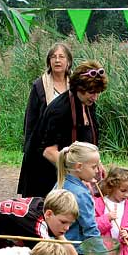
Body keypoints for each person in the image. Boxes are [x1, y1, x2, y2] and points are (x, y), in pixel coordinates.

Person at [38, 60, 108, 198]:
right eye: (91, 92)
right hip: (52, 176)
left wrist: (96, 164)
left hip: (76, 172)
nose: (95, 97)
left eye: (98, 92)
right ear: (78, 88)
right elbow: (49, 152)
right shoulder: (59, 110)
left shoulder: (88, 104)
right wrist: (75, 176)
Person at [55, 141, 107, 255]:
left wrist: (94, 184)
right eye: (94, 166)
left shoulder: (62, 183)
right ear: (78, 167)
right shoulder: (80, 194)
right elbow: (90, 229)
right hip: (77, 251)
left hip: (61, 248)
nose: (97, 170)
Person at [17, 42, 73, 197]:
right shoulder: (39, 85)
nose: (57, 60)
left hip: (67, 143)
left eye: (61, 57)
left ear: (68, 61)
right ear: (49, 61)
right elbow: (30, 120)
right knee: (42, 194)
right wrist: (29, 147)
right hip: (42, 146)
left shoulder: (75, 85)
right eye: (53, 57)